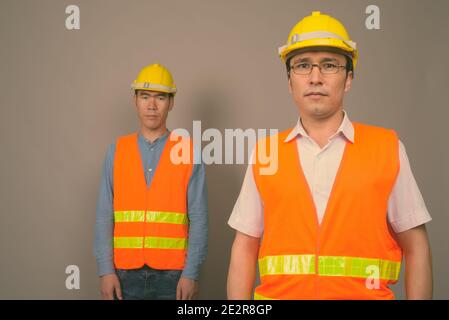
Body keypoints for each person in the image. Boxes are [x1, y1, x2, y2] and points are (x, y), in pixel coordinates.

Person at [227, 11, 432, 300]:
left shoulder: (387, 148)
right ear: (289, 83)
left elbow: (417, 246)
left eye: (329, 65)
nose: (315, 78)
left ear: (348, 79)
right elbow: (244, 246)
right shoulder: (265, 154)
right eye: (302, 66)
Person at [94, 63, 208, 300]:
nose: (152, 105)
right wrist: (105, 270)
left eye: (160, 97)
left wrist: (191, 274)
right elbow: (104, 214)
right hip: (123, 274)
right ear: (135, 100)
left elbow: (199, 218)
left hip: (173, 277)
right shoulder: (117, 150)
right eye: (145, 96)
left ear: (171, 102)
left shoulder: (188, 152)